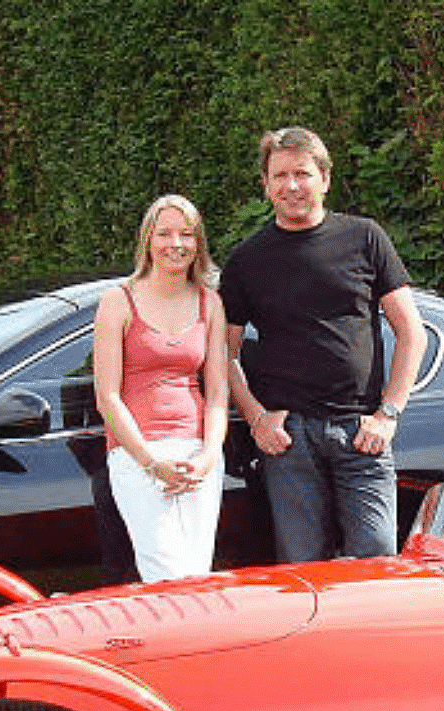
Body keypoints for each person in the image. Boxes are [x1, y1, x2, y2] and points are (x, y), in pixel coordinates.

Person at [220, 126, 426, 562]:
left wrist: (388, 413)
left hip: (362, 435)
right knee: (303, 574)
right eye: (279, 175)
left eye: (302, 173)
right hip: (289, 441)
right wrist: (257, 418)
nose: (291, 186)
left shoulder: (365, 238)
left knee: (377, 565)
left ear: (325, 178)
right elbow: (224, 354)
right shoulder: (246, 260)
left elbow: (412, 332)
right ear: (265, 184)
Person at [92, 194, 230, 581]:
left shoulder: (210, 304)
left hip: (197, 454)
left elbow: (218, 393)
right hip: (139, 454)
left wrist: (205, 458)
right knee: (165, 572)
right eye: (165, 233)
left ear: (198, 243)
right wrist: (152, 463)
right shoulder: (118, 302)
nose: (176, 244)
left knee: (197, 573)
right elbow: (108, 397)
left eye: (187, 234)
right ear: (147, 241)